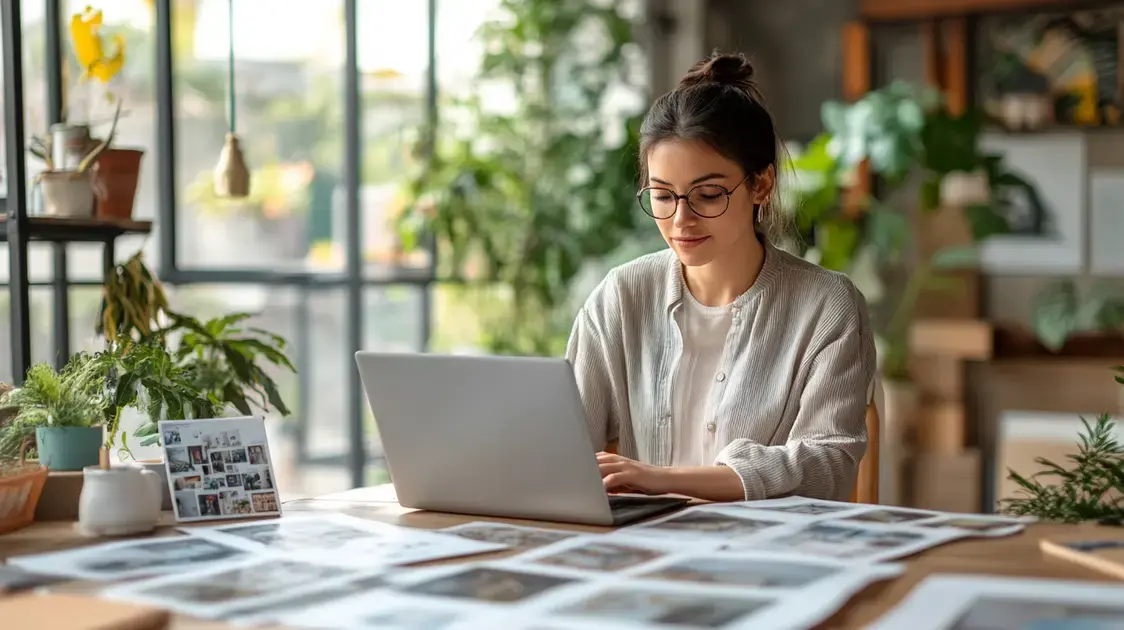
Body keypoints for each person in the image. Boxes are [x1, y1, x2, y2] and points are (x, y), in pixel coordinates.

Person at [565, 51, 876, 503]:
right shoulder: (620, 296)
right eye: (661, 195)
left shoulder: (828, 306)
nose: (680, 219)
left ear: (762, 185)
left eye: (708, 195)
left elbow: (825, 467)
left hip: (768, 558)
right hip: (642, 552)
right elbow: (565, 448)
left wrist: (664, 479)